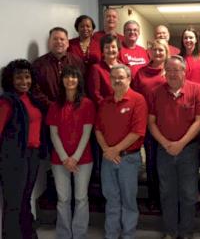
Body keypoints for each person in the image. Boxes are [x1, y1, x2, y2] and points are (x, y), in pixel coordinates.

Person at [148, 55, 200, 239]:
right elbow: (151, 123)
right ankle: (170, 232)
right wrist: (166, 144)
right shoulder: (156, 92)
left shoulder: (197, 90)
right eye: (170, 70)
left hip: (188, 150)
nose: (173, 74)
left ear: (184, 71)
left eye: (177, 70)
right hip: (163, 150)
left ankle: (186, 232)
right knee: (167, 193)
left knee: (189, 194)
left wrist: (180, 144)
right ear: (165, 72)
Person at [95, 64, 148, 239]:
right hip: (108, 159)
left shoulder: (138, 100)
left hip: (129, 159)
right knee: (111, 199)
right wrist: (107, 150)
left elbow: (137, 132)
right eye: (114, 77)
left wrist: (115, 150)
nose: (117, 80)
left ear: (129, 79)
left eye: (121, 77)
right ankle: (111, 234)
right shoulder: (105, 102)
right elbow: (98, 130)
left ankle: (128, 235)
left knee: (128, 201)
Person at [46, 66, 95, 239]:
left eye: (74, 77)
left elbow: (86, 133)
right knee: (63, 199)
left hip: (83, 158)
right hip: (60, 160)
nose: (70, 80)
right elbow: (54, 134)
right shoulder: (54, 105)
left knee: (81, 198)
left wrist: (74, 158)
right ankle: (64, 234)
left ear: (79, 80)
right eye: (67, 77)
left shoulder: (87, 104)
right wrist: (65, 158)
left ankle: (79, 234)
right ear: (62, 80)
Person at [0, 59, 46, 239]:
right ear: (10, 80)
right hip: (13, 158)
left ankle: (28, 234)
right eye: (18, 78)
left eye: (27, 77)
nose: (24, 81)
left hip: (32, 156)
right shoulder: (6, 102)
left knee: (25, 199)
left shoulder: (31, 98)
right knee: (13, 203)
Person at [132, 38, 169, 211]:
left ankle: (168, 197)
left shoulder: (171, 70)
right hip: (148, 123)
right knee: (152, 162)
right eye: (155, 50)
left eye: (161, 50)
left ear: (166, 52)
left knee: (167, 161)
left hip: (169, 124)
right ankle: (154, 197)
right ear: (150, 52)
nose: (158, 53)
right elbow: (135, 97)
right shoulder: (141, 72)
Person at [32, 27, 85, 109]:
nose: (59, 42)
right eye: (55, 39)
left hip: (74, 110)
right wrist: (53, 107)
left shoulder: (77, 62)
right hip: (48, 112)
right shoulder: (38, 64)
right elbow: (35, 91)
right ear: (49, 43)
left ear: (67, 43)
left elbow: (82, 86)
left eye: (62, 39)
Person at [88, 34, 121, 107]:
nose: (110, 50)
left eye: (113, 47)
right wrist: (108, 107)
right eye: (107, 47)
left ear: (118, 49)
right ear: (102, 50)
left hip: (124, 108)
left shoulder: (124, 68)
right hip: (105, 110)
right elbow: (95, 94)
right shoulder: (96, 68)